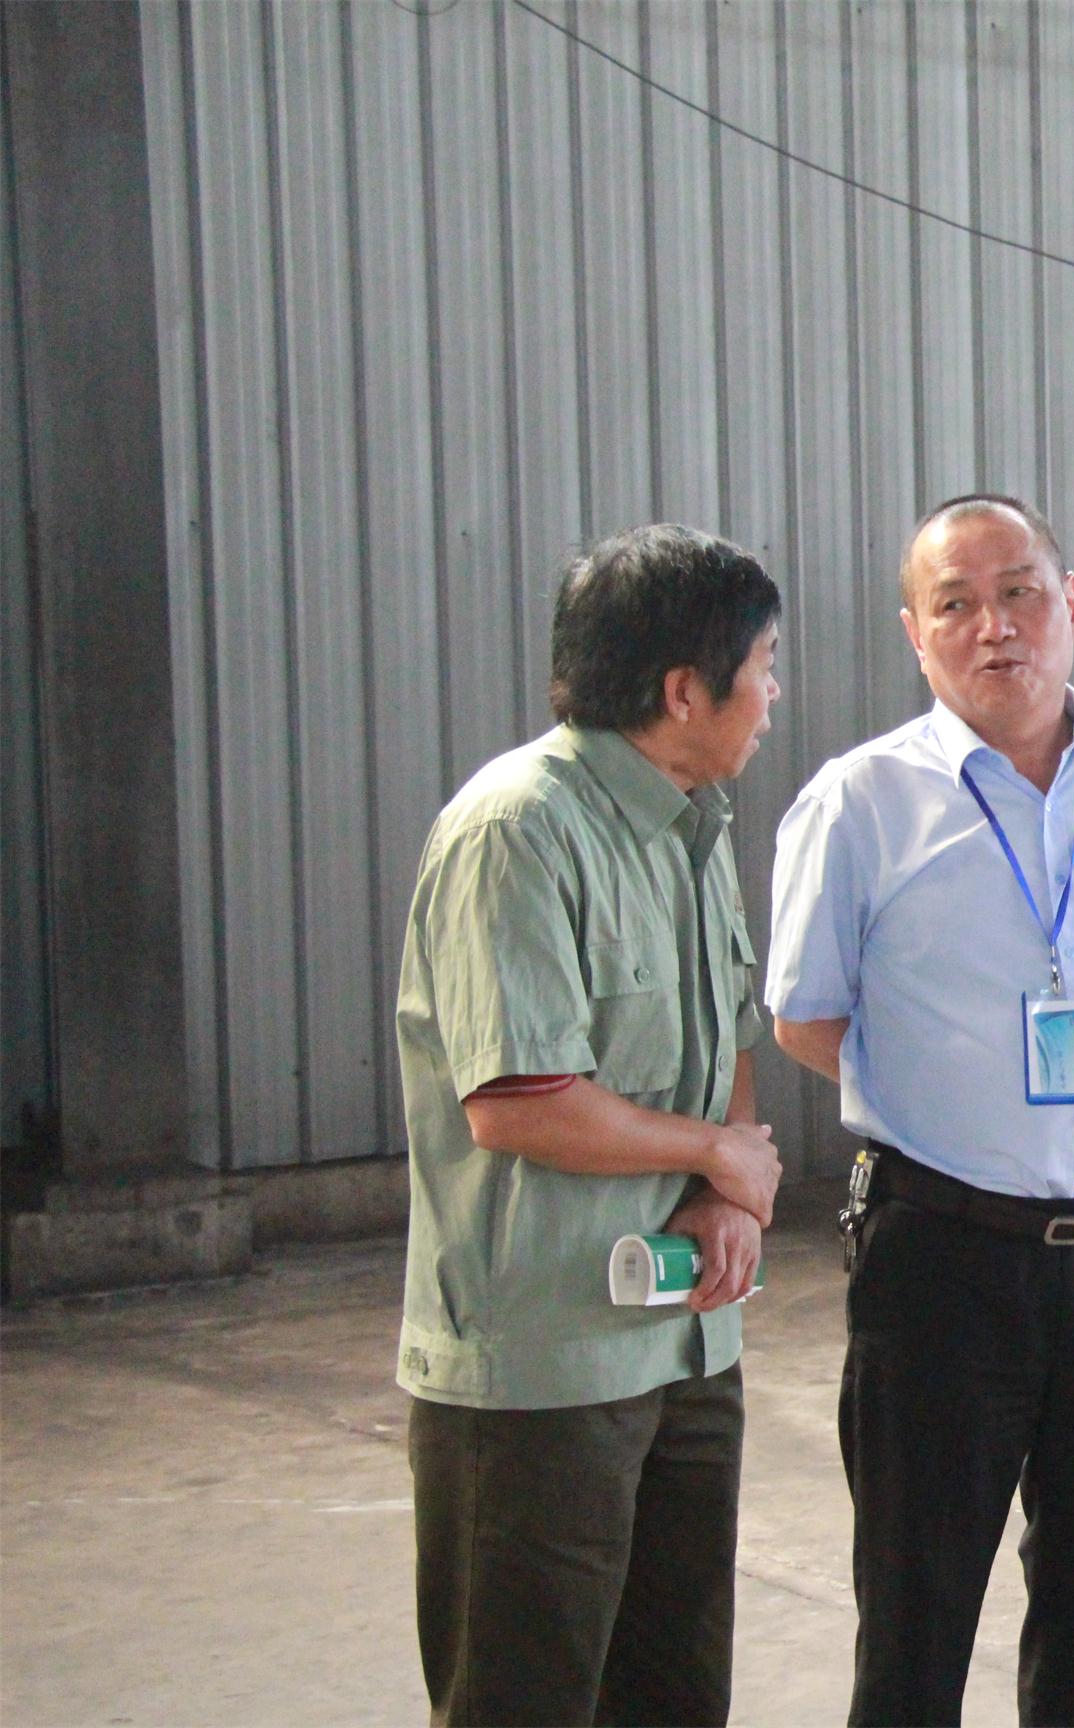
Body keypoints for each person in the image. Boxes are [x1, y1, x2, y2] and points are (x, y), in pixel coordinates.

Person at [767, 494, 1074, 1727]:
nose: (994, 626)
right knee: (916, 1615)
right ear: (915, 634)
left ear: (1071, 603)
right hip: (944, 1257)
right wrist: (952, 1097)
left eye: (1018, 592)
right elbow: (806, 1017)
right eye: (955, 604)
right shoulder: (860, 802)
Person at [394, 524, 784, 1728]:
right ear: (684, 691)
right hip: (543, 1371)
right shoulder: (516, 830)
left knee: (673, 1696)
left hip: (685, 1344)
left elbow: (728, 1042)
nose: (773, 697)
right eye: (764, 667)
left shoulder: (694, 825)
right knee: (523, 1701)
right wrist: (712, 1152)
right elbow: (520, 1102)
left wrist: (723, 1195)